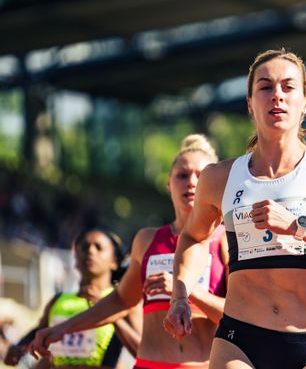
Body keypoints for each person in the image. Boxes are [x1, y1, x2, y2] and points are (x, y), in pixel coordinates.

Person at [164, 48, 306, 369]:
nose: (277, 96)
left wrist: (299, 229)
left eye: (288, 87)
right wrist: (180, 296)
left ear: (305, 103)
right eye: (265, 87)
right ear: (250, 104)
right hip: (239, 341)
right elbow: (193, 238)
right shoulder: (219, 177)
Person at [30, 134, 228, 369]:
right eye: (182, 175)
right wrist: (62, 328)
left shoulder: (226, 239)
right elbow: (121, 300)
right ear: (168, 183)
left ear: (214, 184)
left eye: (201, 175)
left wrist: (183, 290)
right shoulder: (147, 239)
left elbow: (241, 317)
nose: (191, 183)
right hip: (147, 364)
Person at [5, 227, 141, 368]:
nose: (90, 251)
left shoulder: (123, 302)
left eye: (99, 247)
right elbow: (40, 334)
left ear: (114, 261)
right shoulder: (59, 300)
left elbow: (142, 350)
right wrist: (19, 348)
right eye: (84, 247)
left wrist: (108, 313)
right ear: (75, 258)